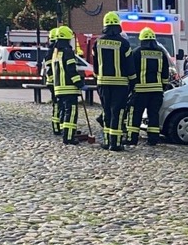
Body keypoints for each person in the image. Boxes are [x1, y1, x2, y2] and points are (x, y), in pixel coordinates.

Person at [93, 11, 137, 151]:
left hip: (103, 83)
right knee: (117, 112)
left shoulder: (97, 42)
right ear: (118, 25)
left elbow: (95, 65)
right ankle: (116, 143)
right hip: (120, 84)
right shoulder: (124, 43)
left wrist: (97, 77)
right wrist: (133, 82)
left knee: (106, 111)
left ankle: (107, 141)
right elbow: (129, 66)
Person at [126, 27, 170, 146]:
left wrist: (131, 88)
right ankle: (153, 140)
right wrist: (162, 86)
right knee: (153, 115)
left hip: (140, 91)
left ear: (141, 40)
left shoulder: (136, 53)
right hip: (156, 91)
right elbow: (166, 74)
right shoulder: (162, 53)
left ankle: (132, 139)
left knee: (135, 115)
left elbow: (132, 72)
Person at [52, 26, 85, 145]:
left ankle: (66, 132)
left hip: (59, 88)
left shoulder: (56, 53)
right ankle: (69, 137)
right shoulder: (68, 51)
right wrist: (79, 83)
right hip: (69, 88)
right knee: (71, 113)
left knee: (64, 112)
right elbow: (71, 70)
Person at [44, 28, 61, 135]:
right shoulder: (52, 52)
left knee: (58, 105)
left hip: (52, 82)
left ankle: (58, 126)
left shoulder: (50, 52)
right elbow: (51, 70)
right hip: (54, 82)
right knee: (57, 105)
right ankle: (56, 127)